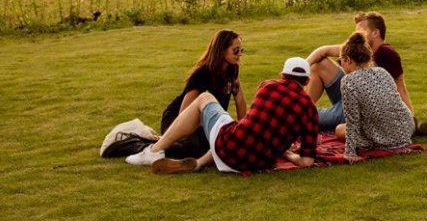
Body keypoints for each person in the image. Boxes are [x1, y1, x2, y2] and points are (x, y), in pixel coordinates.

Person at [127, 57, 318, 175]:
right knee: (236, 135)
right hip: (259, 163)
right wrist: (288, 154)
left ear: (282, 75)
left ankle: (153, 151)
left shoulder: (268, 85)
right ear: (307, 81)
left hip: (231, 146)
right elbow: (307, 161)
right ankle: (199, 163)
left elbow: (255, 121)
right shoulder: (310, 109)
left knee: (205, 98)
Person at [305, 11, 411, 131]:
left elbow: (400, 86)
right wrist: (302, 66)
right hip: (350, 94)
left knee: (305, 117)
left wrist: (409, 118)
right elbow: (323, 50)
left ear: (375, 33)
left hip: (360, 108)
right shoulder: (358, 48)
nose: (356, 35)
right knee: (319, 65)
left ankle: (300, 115)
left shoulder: (386, 53)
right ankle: (301, 105)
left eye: (361, 31)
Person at [159, 29, 248, 160]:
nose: (240, 54)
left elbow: (240, 101)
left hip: (205, 123)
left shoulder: (232, 69)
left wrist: (243, 132)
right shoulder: (203, 74)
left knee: (221, 146)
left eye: (241, 50)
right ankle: (154, 145)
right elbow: (184, 112)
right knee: (193, 150)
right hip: (178, 120)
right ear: (222, 50)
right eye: (236, 50)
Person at [333, 31, 415, 158]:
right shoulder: (382, 72)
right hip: (406, 128)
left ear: (348, 60)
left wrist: (349, 153)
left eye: (340, 61)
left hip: (383, 139)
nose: (341, 65)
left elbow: (353, 121)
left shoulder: (348, 81)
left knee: (340, 129)